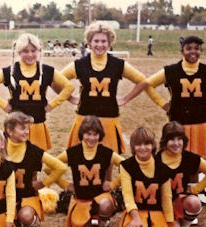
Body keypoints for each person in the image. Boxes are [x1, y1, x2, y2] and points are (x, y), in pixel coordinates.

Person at [54, 22, 151, 155]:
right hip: (84, 117)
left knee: (108, 162)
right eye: (96, 41)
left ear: (110, 42)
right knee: (83, 160)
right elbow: (55, 81)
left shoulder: (118, 64)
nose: (100, 45)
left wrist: (125, 99)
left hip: (109, 118)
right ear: (89, 42)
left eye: (104, 41)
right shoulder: (79, 64)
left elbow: (143, 81)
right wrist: (70, 98)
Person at [144, 35, 206, 157]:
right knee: (175, 158)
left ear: (201, 51)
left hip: (200, 122)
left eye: (197, 48)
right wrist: (163, 105)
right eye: (188, 48)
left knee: (196, 161)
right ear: (182, 51)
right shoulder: (170, 71)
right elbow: (147, 85)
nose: (193, 51)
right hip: (178, 122)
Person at [0, 33, 73, 151]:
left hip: (37, 123)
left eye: (33, 50)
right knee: (15, 162)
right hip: (16, 126)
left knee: (34, 164)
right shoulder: (10, 71)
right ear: (19, 52)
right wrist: (3, 105)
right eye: (25, 51)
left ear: (38, 51)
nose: (30, 54)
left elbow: (68, 87)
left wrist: (52, 105)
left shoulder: (47, 70)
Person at [55, 116, 124, 227]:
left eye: (95, 134)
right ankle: (88, 221)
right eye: (88, 134)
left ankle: (103, 224)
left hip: (100, 198)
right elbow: (50, 167)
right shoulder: (73, 152)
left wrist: (113, 184)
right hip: (81, 200)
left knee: (106, 204)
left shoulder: (105, 152)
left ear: (100, 135)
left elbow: (128, 166)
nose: (91, 138)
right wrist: (65, 184)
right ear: (82, 134)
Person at [4, 111, 67, 227]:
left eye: (28, 128)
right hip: (6, 199)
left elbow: (60, 167)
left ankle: (32, 226)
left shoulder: (34, 151)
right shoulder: (0, 149)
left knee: (25, 216)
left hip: (27, 196)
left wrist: (43, 183)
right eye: (22, 128)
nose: (27, 132)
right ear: (9, 131)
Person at [156, 121, 206, 227]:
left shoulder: (190, 158)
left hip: (179, 202)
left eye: (179, 139)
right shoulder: (156, 159)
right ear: (164, 141)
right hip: (160, 205)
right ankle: (174, 226)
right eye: (171, 139)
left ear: (184, 140)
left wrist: (195, 190)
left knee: (194, 202)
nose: (176, 143)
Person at [117, 127, 174, 227]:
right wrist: (135, 218)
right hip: (136, 212)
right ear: (133, 147)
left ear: (153, 145)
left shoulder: (163, 169)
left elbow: (166, 199)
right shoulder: (127, 166)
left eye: (146, 143)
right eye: (138, 144)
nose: (142, 148)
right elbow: (127, 195)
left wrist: (170, 225)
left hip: (156, 214)